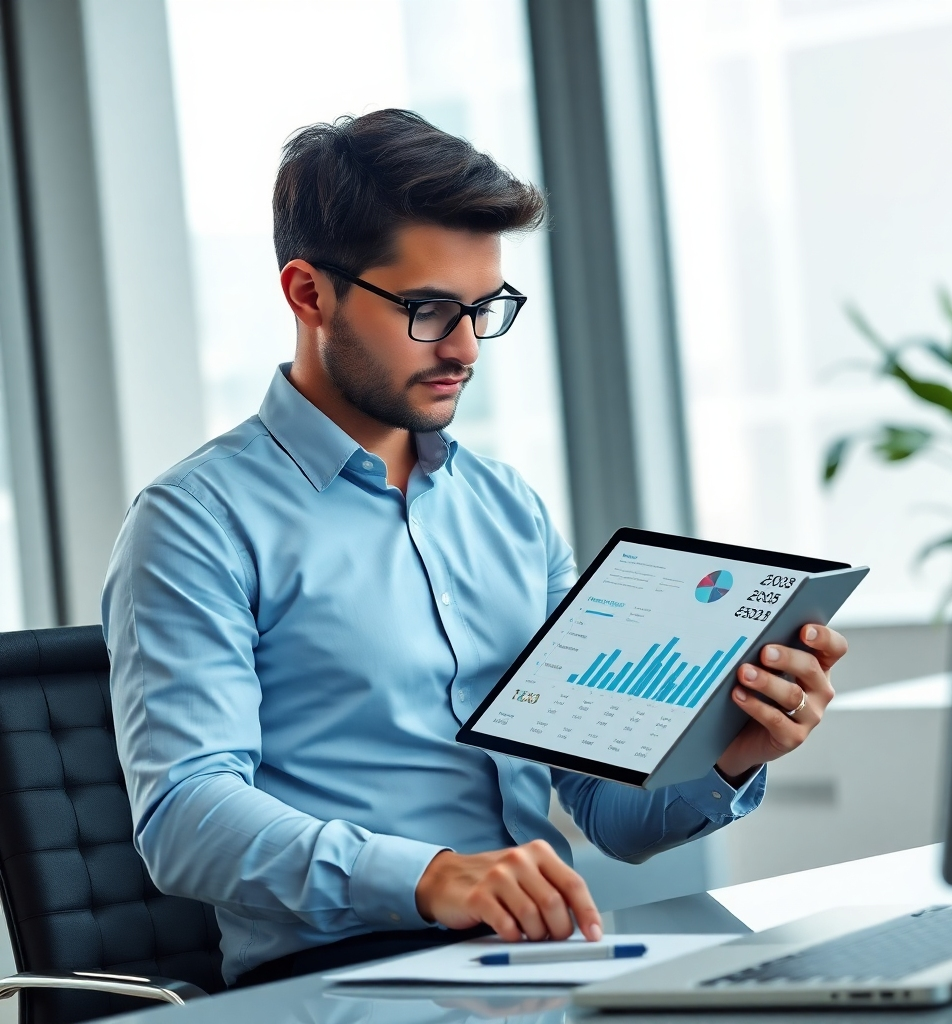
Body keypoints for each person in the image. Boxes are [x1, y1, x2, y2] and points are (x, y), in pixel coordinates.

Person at [102, 109, 847, 988]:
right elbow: (185, 818)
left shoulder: (511, 513)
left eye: (482, 309)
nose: (463, 347)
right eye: (426, 310)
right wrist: (430, 878)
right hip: (342, 983)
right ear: (308, 294)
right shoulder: (194, 523)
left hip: (536, 966)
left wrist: (729, 753)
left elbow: (609, 814)